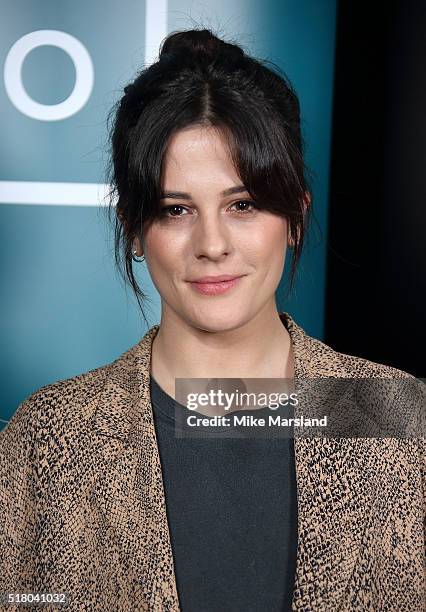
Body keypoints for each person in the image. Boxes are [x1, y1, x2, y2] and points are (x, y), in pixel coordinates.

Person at [0, 27, 424, 612]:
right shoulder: (51, 439)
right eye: (177, 210)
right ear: (134, 230)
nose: (212, 244)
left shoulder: (395, 418)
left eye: (242, 205)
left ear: (295, 216)